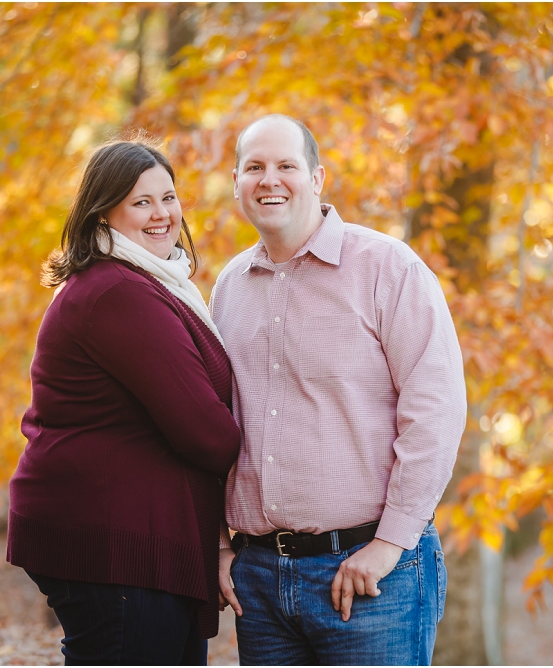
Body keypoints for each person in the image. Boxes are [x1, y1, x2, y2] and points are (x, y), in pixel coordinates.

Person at [208, 114, 467, 665]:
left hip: (372, 575)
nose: (269, 180)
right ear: (236, 184)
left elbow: (436, 409)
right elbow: (214, 424)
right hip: (259, 580)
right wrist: (223, 545)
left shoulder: (386, 268)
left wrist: (389, 544)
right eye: (253, 167)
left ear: (318, 177)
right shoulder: (229, 288)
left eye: (286, 166)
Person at [7, 139, 241, 665]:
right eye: (141, 202)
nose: (162, 215)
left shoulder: (144, 282)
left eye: (169, 197)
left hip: (137, 532)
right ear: (103, 212)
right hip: (114, 538)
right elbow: (206, 432)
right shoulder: (119, 294)